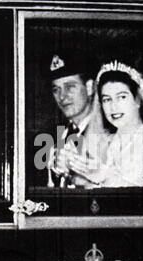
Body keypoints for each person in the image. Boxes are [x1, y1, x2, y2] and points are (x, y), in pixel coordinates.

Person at [47, 54, 109, 187]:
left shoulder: (110, 134)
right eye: (56, 90)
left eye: (70, 87)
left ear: (89, 87)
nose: (62, 97)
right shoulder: (53, 137)